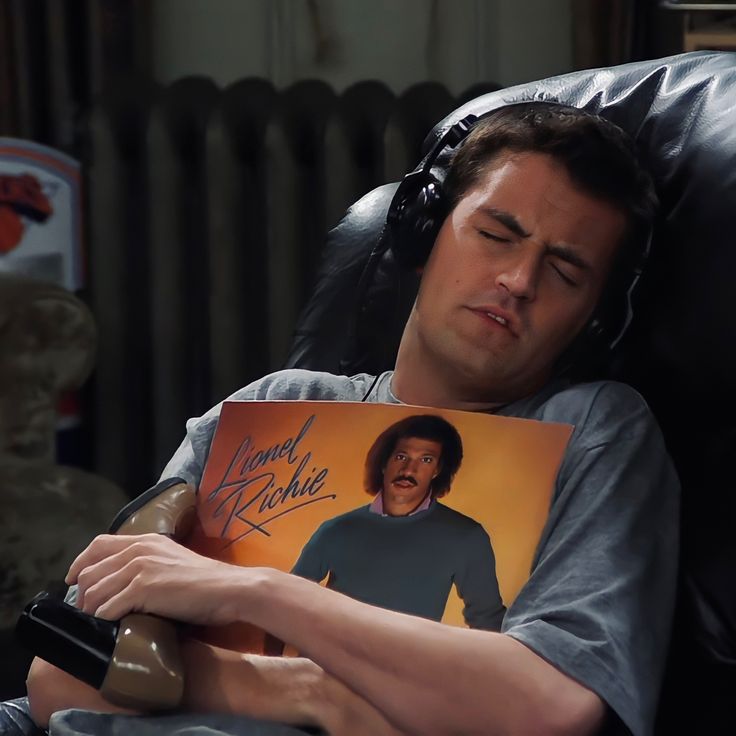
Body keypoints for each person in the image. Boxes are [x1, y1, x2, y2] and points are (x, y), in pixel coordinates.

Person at [25, 102, 679, 736]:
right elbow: (59, 679)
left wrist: (252, 596)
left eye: (564, 272)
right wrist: (326, 697)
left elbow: (547, 706)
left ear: (594, 320)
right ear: (422, 234)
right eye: (495, 234)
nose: (519, 279)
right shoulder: (276, 405)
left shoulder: (593, 429)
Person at [290, 414, 505, 630]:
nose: (409, 470)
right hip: (327, 659)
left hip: (410, 663)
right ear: (384, 463)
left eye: (426, 460)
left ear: (438, 470)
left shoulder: (466, 537)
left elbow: (488, 623)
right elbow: (287, 602)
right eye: (401, 457)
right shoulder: (335, 530)